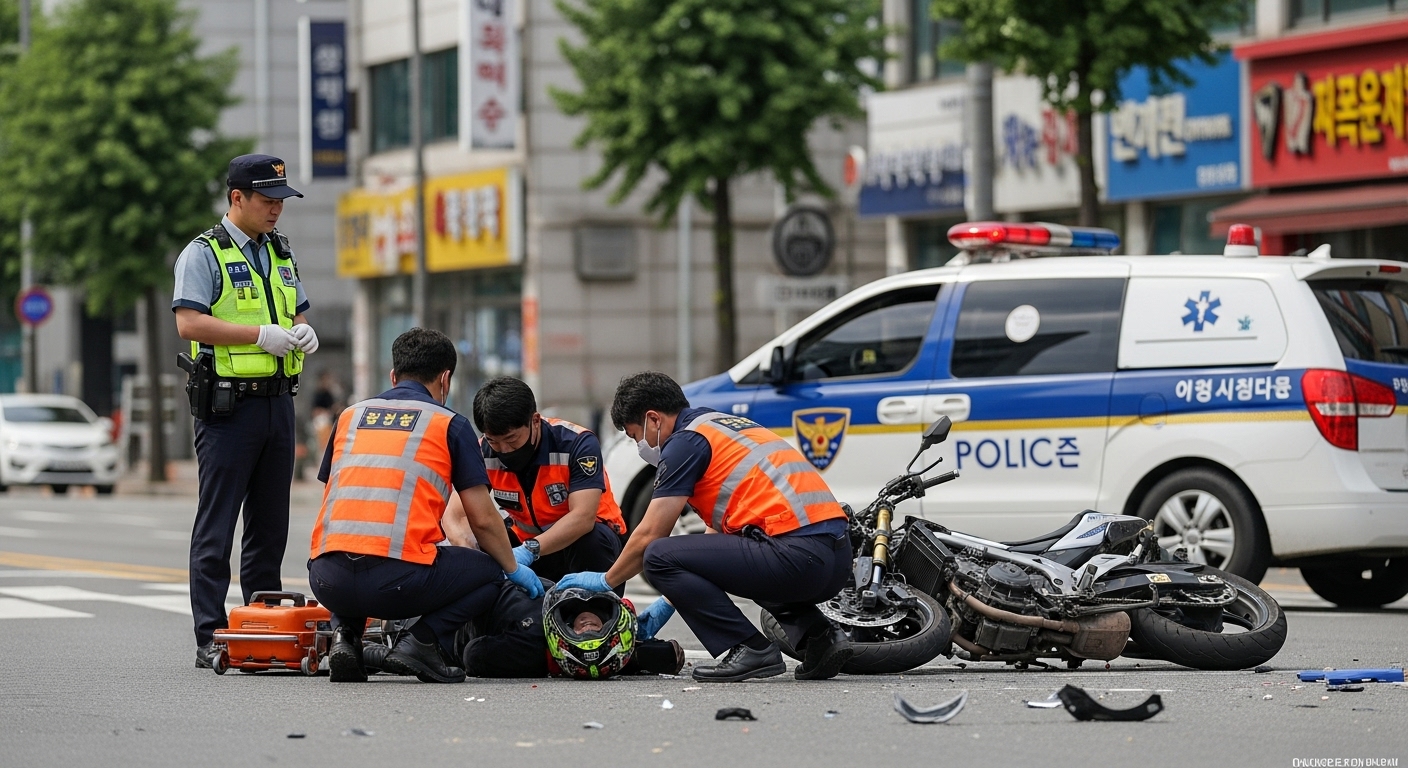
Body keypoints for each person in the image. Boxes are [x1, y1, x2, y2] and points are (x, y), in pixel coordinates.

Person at [557, 372, 854, 683]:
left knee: (657, 555)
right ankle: (821, 638)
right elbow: (717, 547)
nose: (640, 446)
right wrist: (671, 600)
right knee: (733, 547)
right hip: (833, 557)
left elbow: (651, 533)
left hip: (797, 557)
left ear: (653, 420)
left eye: (635, 436)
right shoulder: (720, 427)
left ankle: (748, 647)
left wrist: (606, 580)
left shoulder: (684, 443)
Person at [308, 328, 542, 684]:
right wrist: (512, 566)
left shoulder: (349, 417)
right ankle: (421, 643)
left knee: (353, 546)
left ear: (393, 376)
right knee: (491, 570)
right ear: (445, 379)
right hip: (394, 586)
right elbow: (482, 519)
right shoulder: (449, 424)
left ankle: (346, 639)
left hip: (326, 580)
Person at [172, 154, 320, 668]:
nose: (277, 208)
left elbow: (296, 310)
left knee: (270, 525)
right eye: (267, 199)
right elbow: (189, 323)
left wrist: (301, 329)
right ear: (237, 198)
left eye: (281, 199)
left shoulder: (280, 251)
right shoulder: (203, 254)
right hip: (228, 408)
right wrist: (258, 335)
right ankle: (209, 634)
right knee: (217, 524)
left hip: (279, 403)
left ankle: (262, 627)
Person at [471, 378, 628, 588]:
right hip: (527, 549)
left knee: (591, 540)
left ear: (535, 420)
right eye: (494, 441)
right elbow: (457, 514)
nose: (504, 450)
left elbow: (583, 518)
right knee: (483, 546)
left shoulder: (576, 443)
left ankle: (594, 615)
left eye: (511, 439)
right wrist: (472, 550)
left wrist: (529, 551)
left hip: (584, 546)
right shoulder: (482, 451)